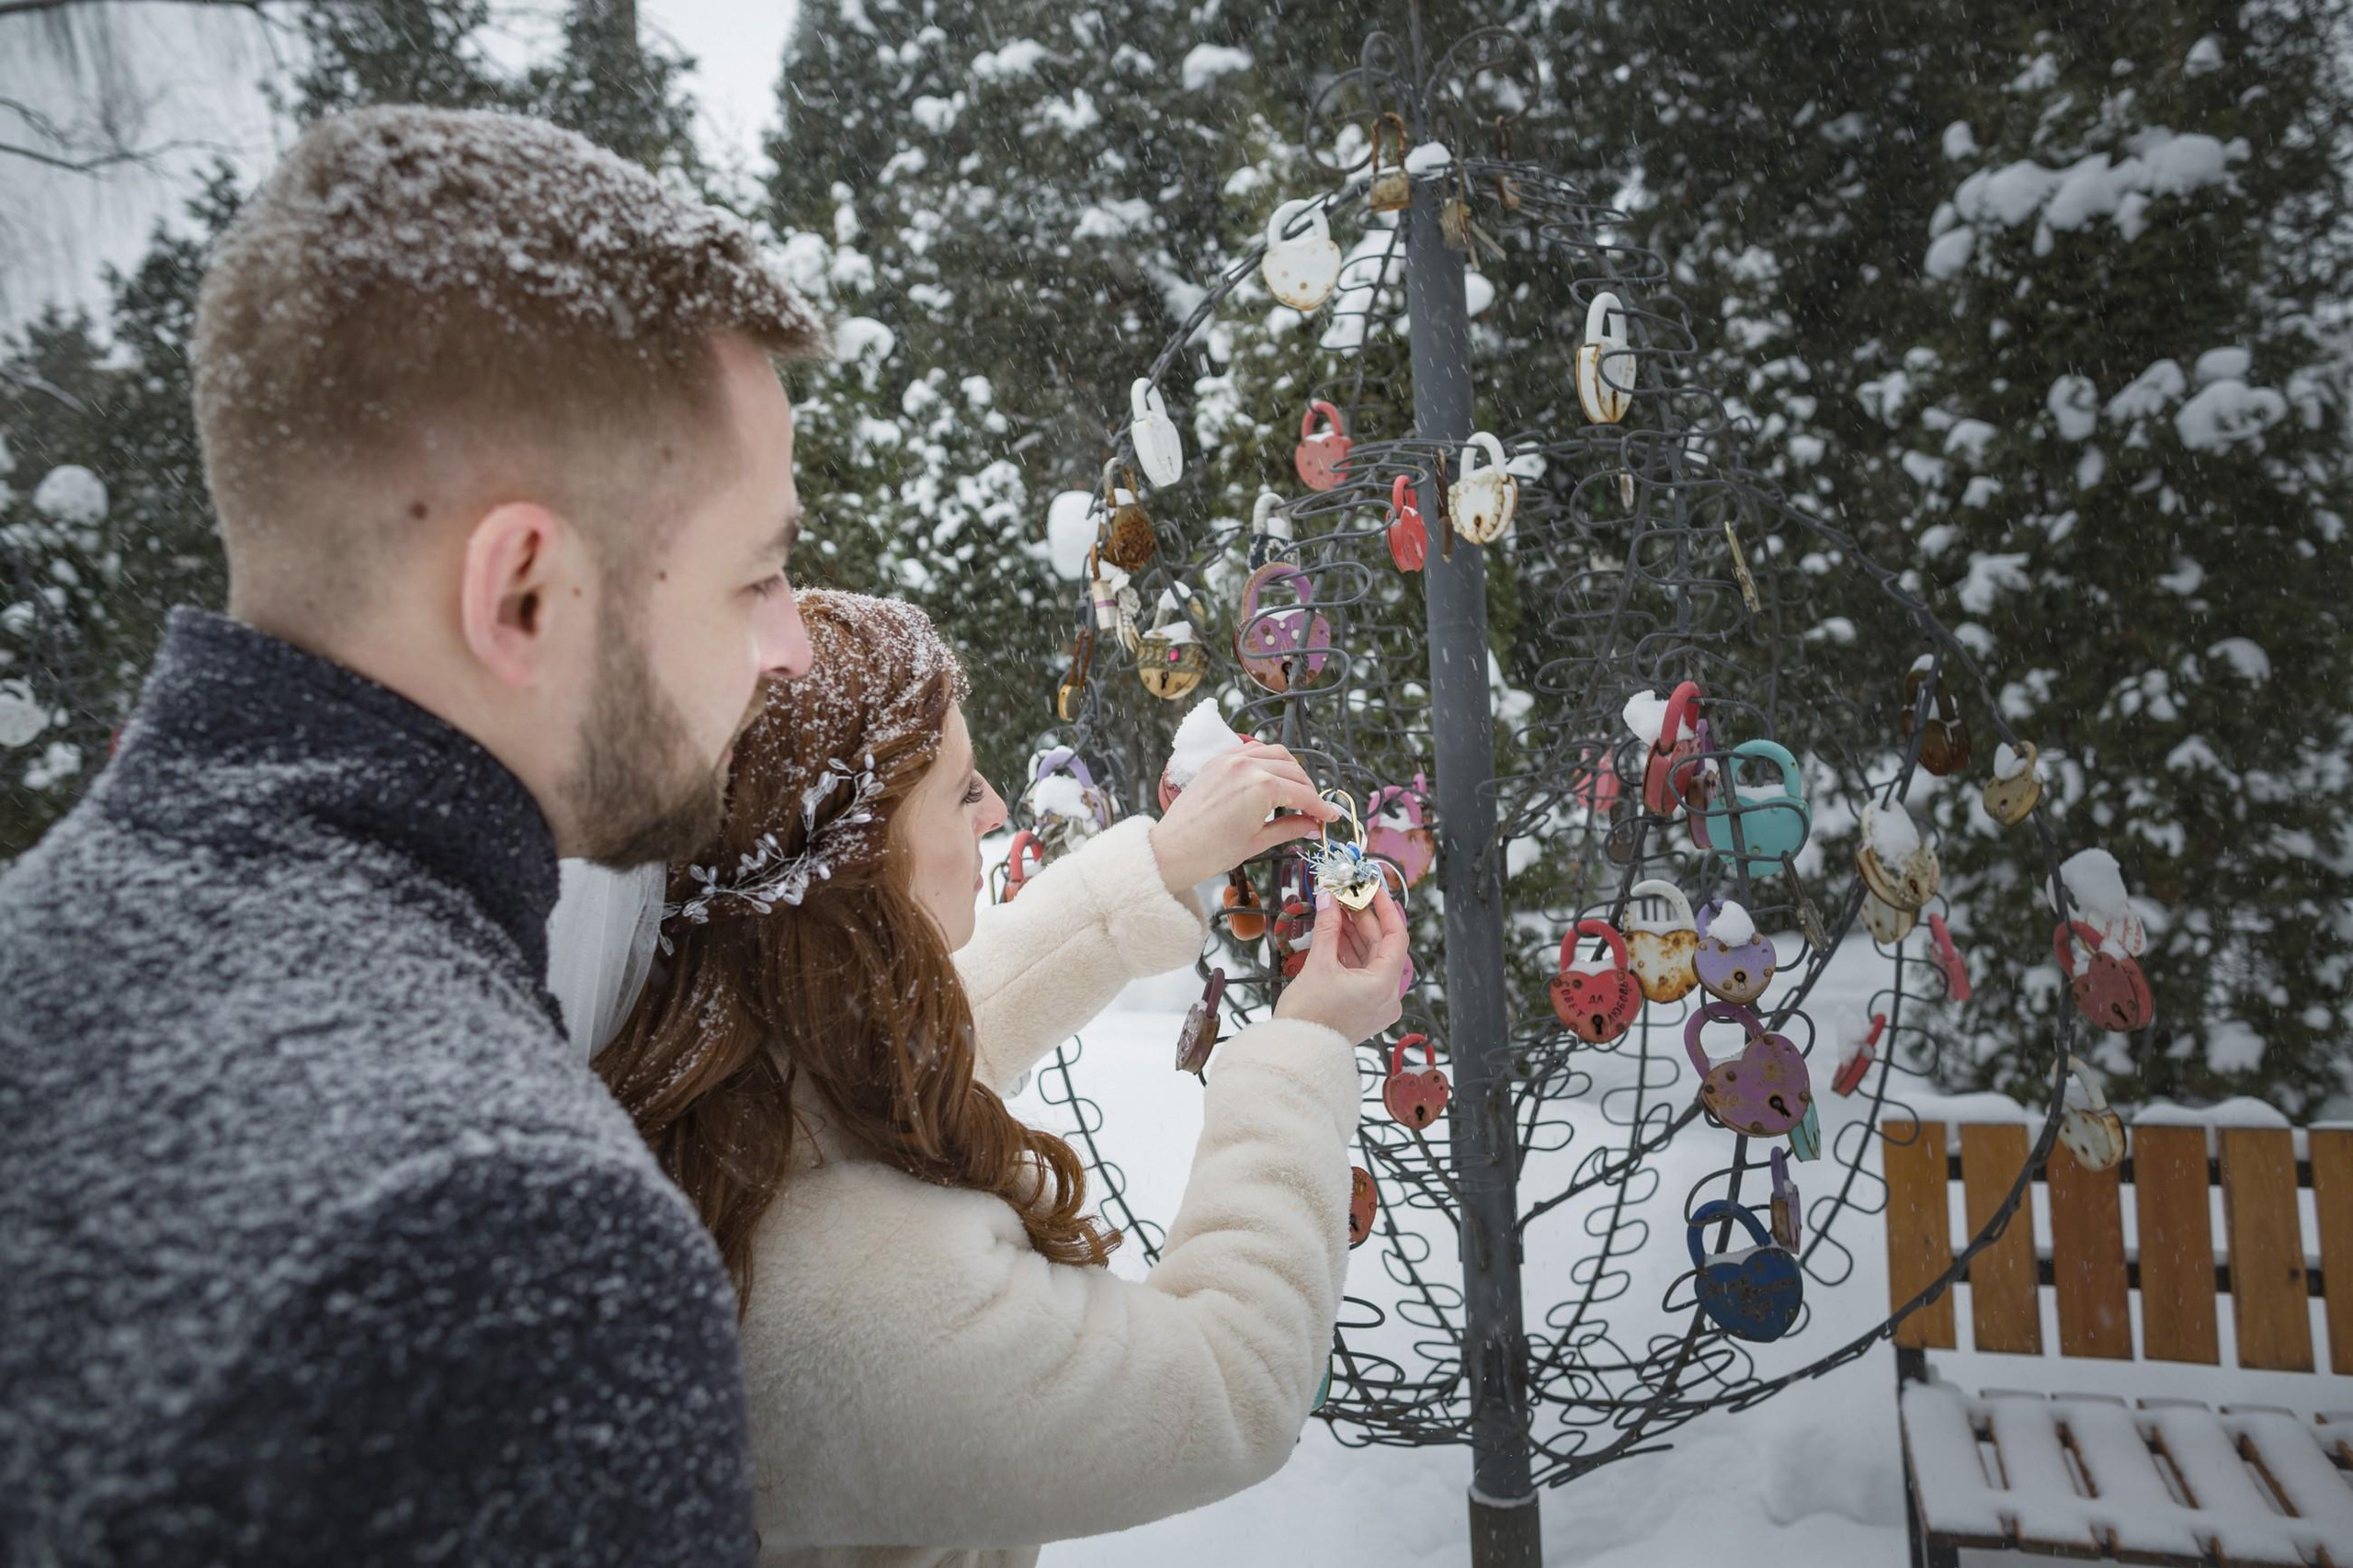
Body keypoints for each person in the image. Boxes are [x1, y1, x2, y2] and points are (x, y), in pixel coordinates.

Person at [0, 107, 823, 1565]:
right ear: (521, 593)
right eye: (757, 575)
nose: (792, 647)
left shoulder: (48, 952)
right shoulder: (507, 1253)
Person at [585, 591, 1408, 1567]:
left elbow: (919, 1045)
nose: (998, 811)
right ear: (856, 861)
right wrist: (1304, 1046)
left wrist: (1159, 864)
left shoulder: (721, 1059)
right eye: (961, 790)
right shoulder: (865, 1303)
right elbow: (1235, 1384)